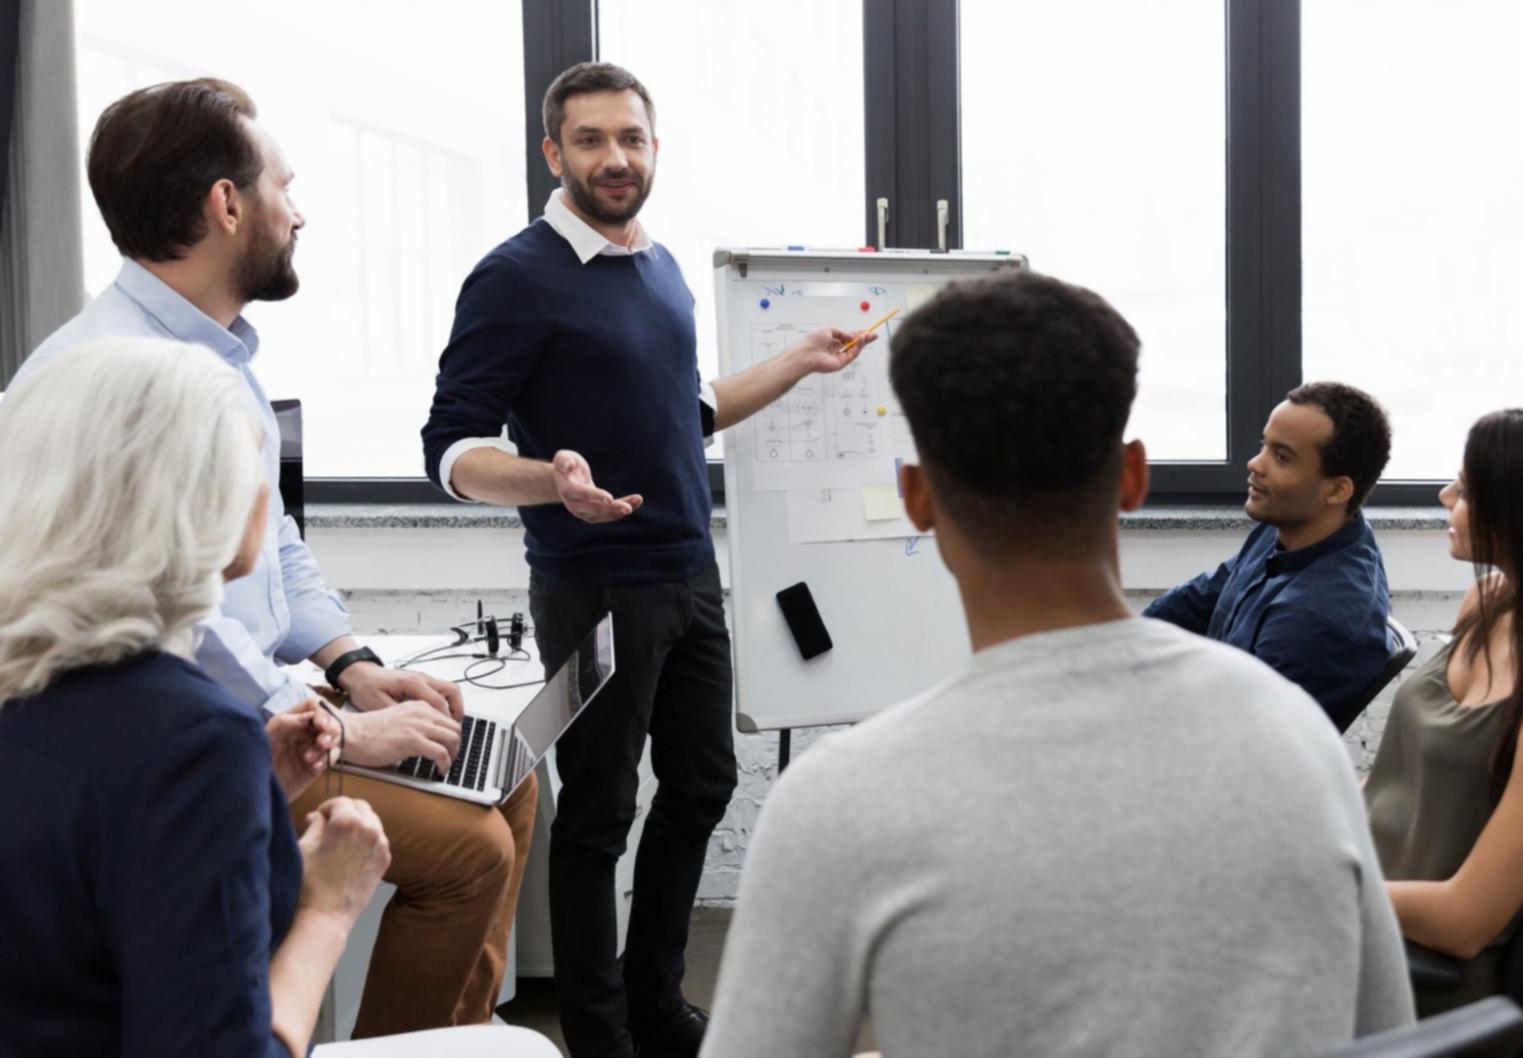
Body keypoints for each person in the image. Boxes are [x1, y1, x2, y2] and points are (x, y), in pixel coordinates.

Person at [698, 272, 1414, 1058]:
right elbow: (1382, 1034)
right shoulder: (1297, 743)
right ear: (1132, 478)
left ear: (916, 499)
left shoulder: (834, 802)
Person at [20, 78, 536, 1036]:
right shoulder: (101, 373)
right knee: (470, 850)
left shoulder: (219, 355)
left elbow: (275, 545)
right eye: (283, 187)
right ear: (226, 204)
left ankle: (446, 1045)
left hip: (256, 705)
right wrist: (332, 728)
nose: (297, 213)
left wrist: (351, 664)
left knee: (508, 778)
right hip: (199, 725)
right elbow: (169, 605)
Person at [420, 62, 875, 1058]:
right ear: (554, 153)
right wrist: (551, 479)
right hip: (591, 588)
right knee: (597, 814)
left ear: (654, 147)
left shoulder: (657, 265)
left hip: (686, 576)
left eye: (630, 138)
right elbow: (448, 450)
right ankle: (599, 1033)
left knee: (705, 780)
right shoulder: (515, 274)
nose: (614, 157)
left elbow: (688, 411)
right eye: (590, 139)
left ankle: (655, 1002)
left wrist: (800, 358)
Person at [0, 338, 555, 1058]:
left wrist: (255, 784)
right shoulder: (190, 740)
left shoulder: (37, 692)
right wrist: (327, 906)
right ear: (198, 507)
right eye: (249, 470)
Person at [1363, 409, 1523, 1014]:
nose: (1445, 495)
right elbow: (1394, 787)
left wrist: (1311, 884)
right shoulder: (1489, 602)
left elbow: (1465, 920)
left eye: (1468, 489)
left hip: (1415, 963)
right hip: (1361, 895)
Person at [1145, 381, 1394, 727]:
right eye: (1265, 446)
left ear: (1337, 490)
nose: (1254, 464)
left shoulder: (1311, 620)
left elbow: (1233, 738)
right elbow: (1196, 599)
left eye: (1281, 457)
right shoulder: (1288, 529)